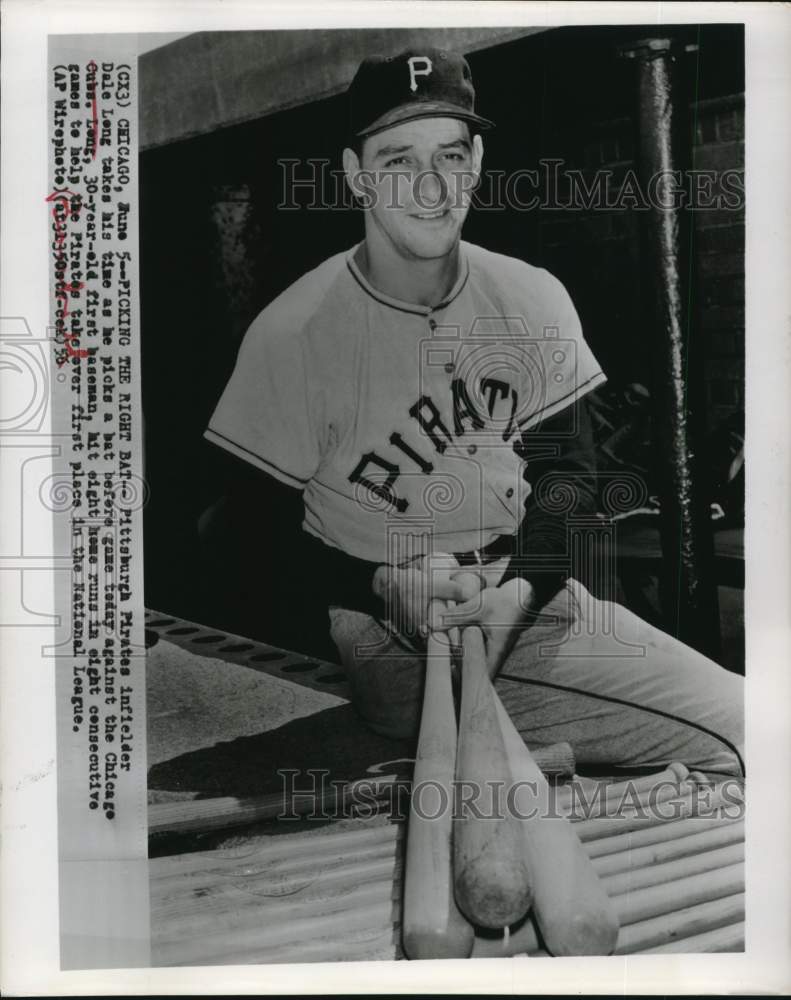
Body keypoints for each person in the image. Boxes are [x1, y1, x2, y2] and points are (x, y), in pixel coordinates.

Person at [205, 47, 743, 778]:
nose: (430, 186)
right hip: (391, 633)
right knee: (745, 732)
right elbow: (238, 531)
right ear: (355, 173)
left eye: (450, 156)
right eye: (397, 160)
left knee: (751, 724)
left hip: (527, 597)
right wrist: (372, 584)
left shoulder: (528, 295)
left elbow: (571, 485)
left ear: (478, 160)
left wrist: (519, 592)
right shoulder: (294, 332)